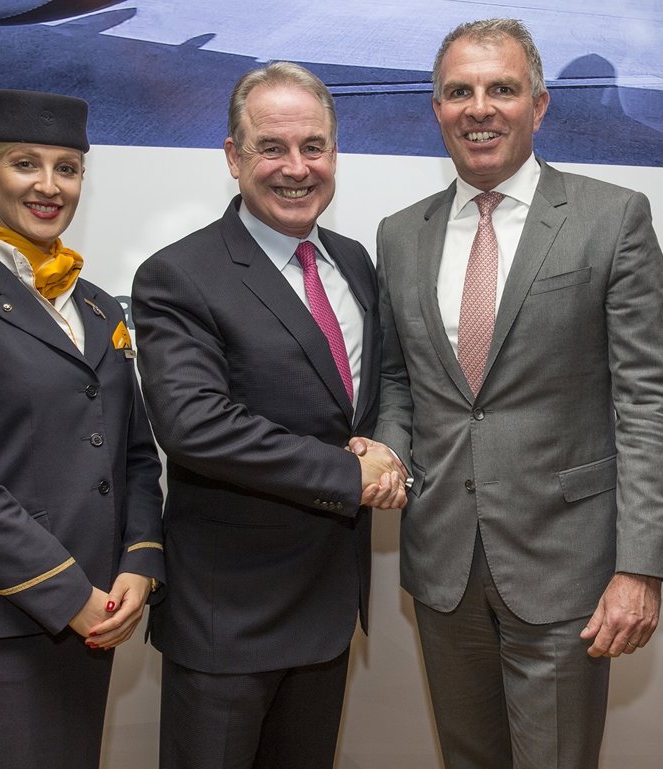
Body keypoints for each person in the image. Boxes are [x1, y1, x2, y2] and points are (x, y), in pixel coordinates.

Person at [364, 18, 663, 769]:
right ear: (436, 109)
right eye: (459, 92)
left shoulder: (613, 217)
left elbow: (648, 401)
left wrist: (640, 565)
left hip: (568, 565)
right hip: (443, 564)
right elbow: (401, 381)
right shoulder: (399, 234)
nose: (479, 108)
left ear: (538, 105)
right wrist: (389, 451)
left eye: (501, 89)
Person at [131, 62, 406, 769]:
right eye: (271, 148)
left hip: (328, 609)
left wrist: (387, 455)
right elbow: (195, 424)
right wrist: (348, 475)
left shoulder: (354, 262)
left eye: (314, 147)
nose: (296, 168)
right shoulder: (179, 274)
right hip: (230, 619)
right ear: (233, 156)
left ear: (335, 153)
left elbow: (372, 399)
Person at [0, 89, 165, 769]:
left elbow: (134, 455)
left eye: (66, 168)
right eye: (25, 164)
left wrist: (139, 561)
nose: (49, 186)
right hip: (2, 625)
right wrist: (69, 594)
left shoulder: (100, 307)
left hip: (95, 620)